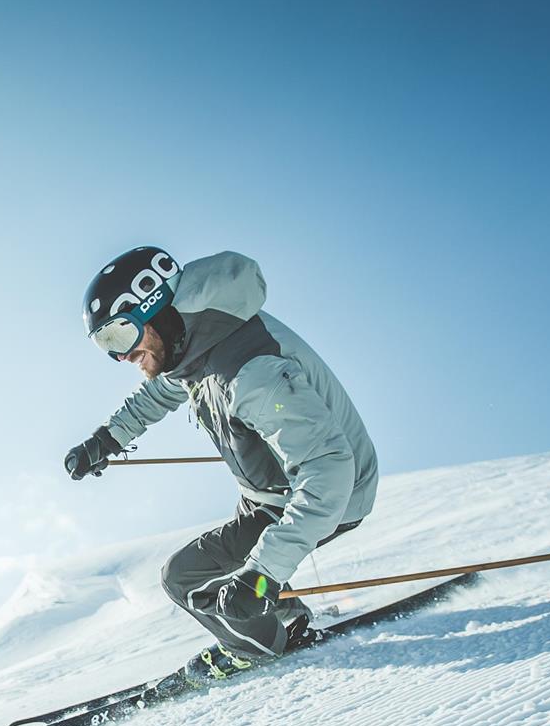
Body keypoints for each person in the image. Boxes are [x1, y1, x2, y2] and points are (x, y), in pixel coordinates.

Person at [64, 246, 379, 685]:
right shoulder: (196, 342)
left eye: (120, 335)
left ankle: (256, 646)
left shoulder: (251, 371)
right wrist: (106, 439)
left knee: (184, 576)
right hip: (270, 493)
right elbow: (162, 391)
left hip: (328, 494)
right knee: (228, 565)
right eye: (106, 345)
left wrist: (262, 577)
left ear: (155, 310)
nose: (121, 356)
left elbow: (327, 471)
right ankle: (285, 619)